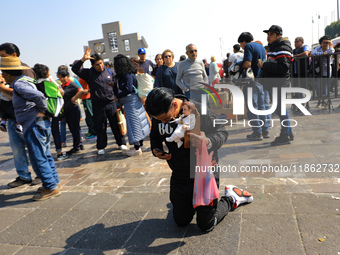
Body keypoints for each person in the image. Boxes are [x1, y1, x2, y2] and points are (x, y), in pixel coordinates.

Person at [145, 87, 253, 231]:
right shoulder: (160, 116)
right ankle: (189, 203)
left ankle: (231, 197)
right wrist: (156, 150)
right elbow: (155, 136)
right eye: (159, 120)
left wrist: (207, 141)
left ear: (175, 105)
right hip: (180, 174)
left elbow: (222, 132)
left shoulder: (200, 111)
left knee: (206, 225)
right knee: (181, 221)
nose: (163, 123)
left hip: (205, 174)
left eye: (165, 119)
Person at [0, 56, 61, 200]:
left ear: (8, 73)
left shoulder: (19, 85)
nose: (2, 76)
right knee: (45, 155)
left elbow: (38, 96)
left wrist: (42, 110)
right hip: (39, 123)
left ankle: (50, 187)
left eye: (2, 73)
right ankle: (53, 182)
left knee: (38, 157)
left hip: (34, 124)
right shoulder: (25, 81)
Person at [72, 47, 127, 155]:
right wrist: (83, 59)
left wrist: (118, 96)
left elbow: (117, 85)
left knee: (116, 125)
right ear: (92, 65)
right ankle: (101, 146)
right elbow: (75, 69)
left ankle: (121, 143)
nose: (100, 66)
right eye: (97, 64)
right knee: (100, 127)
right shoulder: (89, 73)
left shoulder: (110, 72)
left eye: (101, 63)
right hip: (98, 105)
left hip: (111, 103)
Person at [0, 42, 41, 188]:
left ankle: (41, 175)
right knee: (17, 149)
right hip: (11, 117)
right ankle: (23, 175)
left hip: (26, 118)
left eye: (3, 56)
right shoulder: (5, 71)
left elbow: (24, 94)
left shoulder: (24, 71)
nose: (1, 60)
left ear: (14, 55)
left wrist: (1, 87)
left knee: (34, 147)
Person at [258, 25, 294, 146]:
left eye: (271, 34)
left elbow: (283, 68)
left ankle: (285, 134)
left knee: (281, 109)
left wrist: (264, 66)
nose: (268, 37)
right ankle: (288, 131)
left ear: (278, 36)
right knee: (280, 109)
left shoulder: (282, 48)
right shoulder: (275, 47)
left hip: (279, 83)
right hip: (275, 83)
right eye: (268, 34)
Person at [112, 54, 150, 156]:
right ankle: (140, 145)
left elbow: (128, 89)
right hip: (134, 101)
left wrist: (118, 96)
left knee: (133, 124)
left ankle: (137, 148)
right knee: (139, 123)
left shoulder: (127, 75)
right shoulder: (129, 74)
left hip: (131, 102)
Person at [238, 32, 270, 141]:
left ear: (243, 41)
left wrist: (238, 66)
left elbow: (247, 63)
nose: (242, 47)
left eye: (241, 44)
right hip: (261, 80)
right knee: (262, 106)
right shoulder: (260, 46)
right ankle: (265, 131)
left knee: (252, 107)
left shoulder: (248, 46)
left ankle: (257, 133)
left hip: (252, 81)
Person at [33, 64, 68, 161]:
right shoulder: (51, 83)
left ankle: (44, 157)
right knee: (55, 132)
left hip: (40, 114)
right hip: (52, 111)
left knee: (42, 138)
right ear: (46, 73)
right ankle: (59, 153)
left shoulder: (34, 85)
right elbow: (61, 93)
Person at [57, 69, 85, 156]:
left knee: (75, 129)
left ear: (68, 77)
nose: (62, 79)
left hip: (73, 109)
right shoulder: (63, 86)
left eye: (63, 77)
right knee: (74, 129)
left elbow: (81, 91)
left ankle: (76, 147)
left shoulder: (71, 84)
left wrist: (74, 98)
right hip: (67, 111)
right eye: (60, 77)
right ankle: (79, 145)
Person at [70, 60, 96, 140]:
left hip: (87, 97)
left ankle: (94, 132)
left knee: (91, 116)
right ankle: (91, 131)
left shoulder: (84, 76)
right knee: (88, 116)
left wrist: (86, 91)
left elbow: (91, 85)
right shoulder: (81, 77)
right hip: (84, 98)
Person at [311, 35, 335, 107]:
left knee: (325, 86)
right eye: (323, 42)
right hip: (318, 71)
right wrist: (323, 54)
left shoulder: (330, 49)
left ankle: (326, 101)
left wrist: (330, 45)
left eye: (327, 42)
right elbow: (313, 54)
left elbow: (331, 52)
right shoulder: (317, 49)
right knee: (318, 86)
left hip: (327, 70)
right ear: (321, 43)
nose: (325, 44)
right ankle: (320, 101)